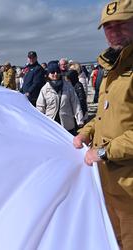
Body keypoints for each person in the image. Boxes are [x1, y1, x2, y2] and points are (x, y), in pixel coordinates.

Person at [73, 1, 133, 248]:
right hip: (108, 184)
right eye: (108, 27)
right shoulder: (112, 69)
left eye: (121, 25)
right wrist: (86, 131)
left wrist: (102, 152)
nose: (114, 32)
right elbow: (108, 115)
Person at [36, 61, 84, 135]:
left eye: (57, 72)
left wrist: (80, 120)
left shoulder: (68, 86)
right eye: (52, 72)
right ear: (48, 74)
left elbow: (75, 103)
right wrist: (39, 123)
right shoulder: (45, 89)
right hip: (51, 125)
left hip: (67, 124)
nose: (55, 74)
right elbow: (40, 107)